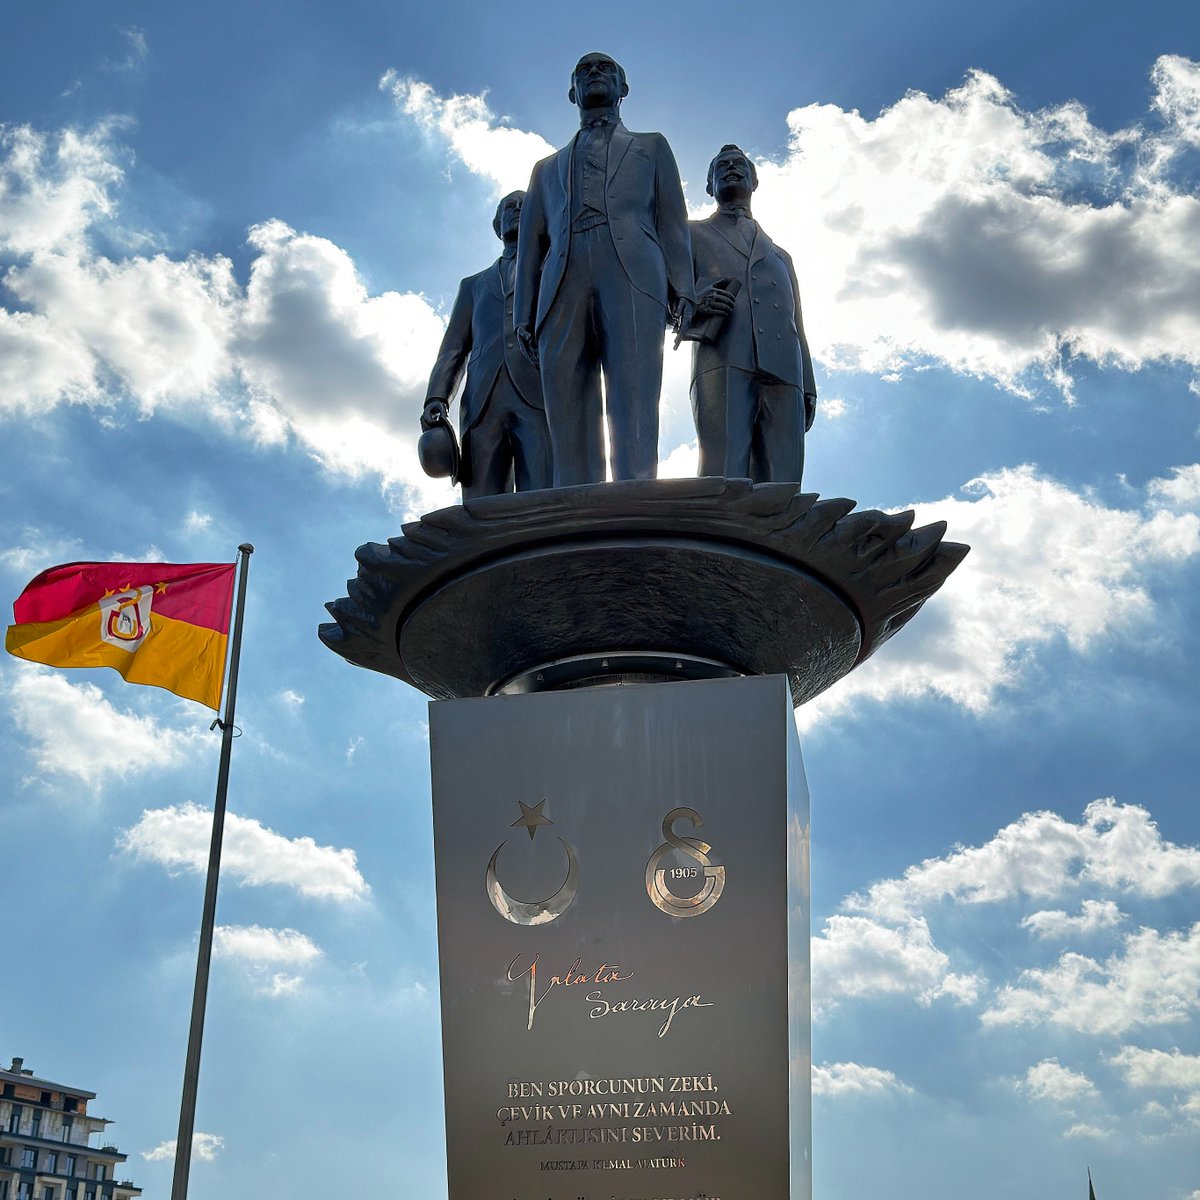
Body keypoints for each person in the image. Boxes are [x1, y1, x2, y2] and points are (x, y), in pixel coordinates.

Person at [514, 52, 694, 485]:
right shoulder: (545, 169)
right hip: (562, 280)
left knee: (634, 391)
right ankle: (574, 503)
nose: (594, 73)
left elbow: (672, 220)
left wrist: (683, 286)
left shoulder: (652, 147)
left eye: (605, 69)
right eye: (583, 70)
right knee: (566, 401)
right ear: (572, 92)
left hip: (633, 271)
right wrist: (523, 313)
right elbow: (530, 248)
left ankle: (636, 496)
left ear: (623, 89)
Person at [683, 144, 817, 482]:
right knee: (722, 473)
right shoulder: (690, 234)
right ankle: (715, 535)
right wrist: (694, 301)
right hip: (724, 359)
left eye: (739, 164)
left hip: (785, 369)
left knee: (785, 482)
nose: (731, 168)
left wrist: (808, 386)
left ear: (754, 181)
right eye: (722, 166)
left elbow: (797, 323)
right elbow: (661, 291)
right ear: (710, 185)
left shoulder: (780, 255)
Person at [422, 191, 552, 498]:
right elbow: (453, 349)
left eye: (525, 206)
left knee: (542, 497)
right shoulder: (473, 286)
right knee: (480, 500)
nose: (517, 210)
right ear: (497, 225)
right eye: (510, 206)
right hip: (481, 402)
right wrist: (436, 397)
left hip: (539, 394)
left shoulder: (553, 272)